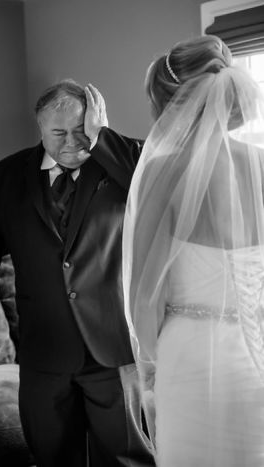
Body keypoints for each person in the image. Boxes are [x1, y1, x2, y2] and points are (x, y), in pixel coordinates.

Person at [0, 81, 154, 467]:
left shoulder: (125, 162)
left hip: (110, 342)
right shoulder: (8, 173)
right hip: (44, 345)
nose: (72, 143)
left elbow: (150, 182)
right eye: (59, 133)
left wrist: (102, 135)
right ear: (40, 128)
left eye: (81, 130)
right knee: (52, 453)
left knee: (125, 456)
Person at [123, 35, 264, 466]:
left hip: (189, 356)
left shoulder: (162, 172)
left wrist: (148, 367)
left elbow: (144, 295)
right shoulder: (261, 164)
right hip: (254, 355)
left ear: (170, 103)